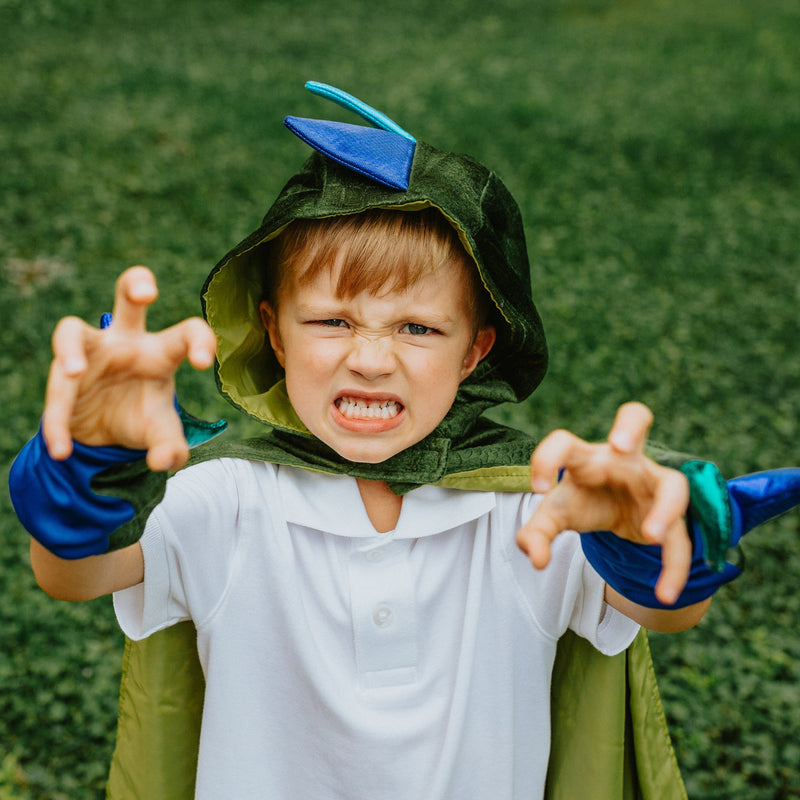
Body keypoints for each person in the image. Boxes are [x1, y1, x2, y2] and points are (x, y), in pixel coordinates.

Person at [10, 82, 798, 799]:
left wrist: (644, 538)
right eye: (332, 321)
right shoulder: (227, 499)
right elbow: (73, 574)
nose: (371, 357)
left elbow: (659, 612)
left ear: (475, 351)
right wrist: (92, 461)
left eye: (418, 327)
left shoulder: (536, 511)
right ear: (273, 334)